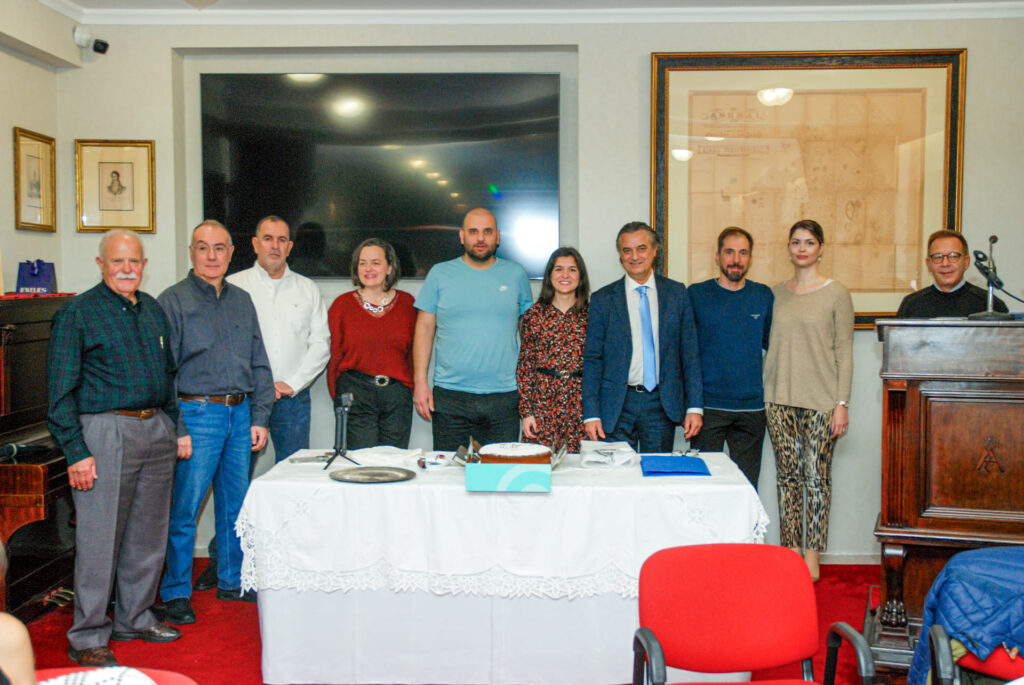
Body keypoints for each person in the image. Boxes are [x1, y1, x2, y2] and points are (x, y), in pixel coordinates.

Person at [46, 230, 181, 667]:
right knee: (99, 540)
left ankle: (134, 617)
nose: (127, 268)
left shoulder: (153, 309)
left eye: (134, 261)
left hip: (154, 429)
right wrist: (76, 451)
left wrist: (174, 427)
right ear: (100, 263)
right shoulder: (77, 313)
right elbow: (60, 392)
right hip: (104, 433)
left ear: (144, 265)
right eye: (118, 260)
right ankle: (87, 635)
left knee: (148, 536)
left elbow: (169, 376)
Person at [192, 216, 329, 593]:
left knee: (294, 484)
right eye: (267, 238)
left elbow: (321, 344)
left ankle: (288, 560)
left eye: (282, 240)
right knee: (233, 485)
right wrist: (260, 386)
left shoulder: (307, 289)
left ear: (290, 247)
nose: (274, 245)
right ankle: (224, 561)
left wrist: (292, 383)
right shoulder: (234, 285)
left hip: (292, 399)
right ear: (254, 244)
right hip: (244, 402)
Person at [157, 220, 274, 624]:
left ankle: (231, 580)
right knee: (185, 509)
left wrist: (260, 416)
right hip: (196, 414)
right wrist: (178, 428)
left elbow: (259, 362)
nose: (211, 256)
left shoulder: (242, 300)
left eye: (219, 248)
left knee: (235, 506)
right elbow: (164, 372)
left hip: (240, 413)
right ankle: (175, 591)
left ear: (231, 253)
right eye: (203, 247)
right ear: (191, 252)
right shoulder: (172, 300)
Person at [763, 218, 854, 582]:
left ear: (821, 249)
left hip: (822, 401)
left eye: (809, 242)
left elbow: (844, 351)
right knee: (787, 479)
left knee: (817, 479)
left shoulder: (836, 293)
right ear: (788, 248)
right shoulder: (774, 294)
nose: (802, 248)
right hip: (778, 398)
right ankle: (791, 552)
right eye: (796, 242)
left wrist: (842, 403)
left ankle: (812, 558)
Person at [413, 207, 533, 450]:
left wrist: (532, 391)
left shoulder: (516, 275)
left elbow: (529, 334)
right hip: (450, 395)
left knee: (500, 471)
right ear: (462, 236)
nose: (480, 238)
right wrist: (420, 382)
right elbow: (424, 329)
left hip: (504, 396)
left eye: (487, 232)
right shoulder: (439, 274)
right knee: (449, 470)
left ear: (497, 237)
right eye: (473, 231)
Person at [583, 221, 703, 453]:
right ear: (620, 256)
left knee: (656, 472)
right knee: (618, 473)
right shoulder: (603, 299)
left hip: (660, 404)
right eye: (627, 250)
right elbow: (593, 359)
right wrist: (591, 414)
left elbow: (690, 354)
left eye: (641, 248)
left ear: (655, 251)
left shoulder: (677, 293)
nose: (635, 256)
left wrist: (695, 407)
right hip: (617, 405)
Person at [688, 227, 773, 489]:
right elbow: (687, 353)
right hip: (708, 409)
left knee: (746, 489)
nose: (736, 259)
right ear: (717, 256)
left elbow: (769, 344)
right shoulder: (697, 295)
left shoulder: (763, 296)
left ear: (750, 258)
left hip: (751, 410)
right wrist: (693, 406)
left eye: (743, 253)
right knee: (704, 488)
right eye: (729, 252)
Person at [327, 238, 417, 449]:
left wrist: (410, 388)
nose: (368, 269)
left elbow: (414, 354)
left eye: (376, 263)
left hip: (396, 397)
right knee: (362, 462)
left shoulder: (408, 304)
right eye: (362, 263)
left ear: (389, 268)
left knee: (394, 463)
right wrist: (338, 396)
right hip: (356, 394)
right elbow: (334, 356)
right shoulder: (342, 305)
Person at [516, 247, 591, 453]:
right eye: (559, 269)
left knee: (579, 467)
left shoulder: (592, 315)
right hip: (542, 404)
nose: (565, 275)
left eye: (572, 270)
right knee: (539, 465)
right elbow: (525, 366)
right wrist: (526, 412)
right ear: (550, 275)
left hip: (580, 404)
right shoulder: (534, 315)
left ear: (581, 276)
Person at [896, 230, 1008, 317]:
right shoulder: (911, 304)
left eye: (953, 256)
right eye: (938, 257)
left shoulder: (990, 304)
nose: (945, 263)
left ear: (966, 262)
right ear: (928, 264)